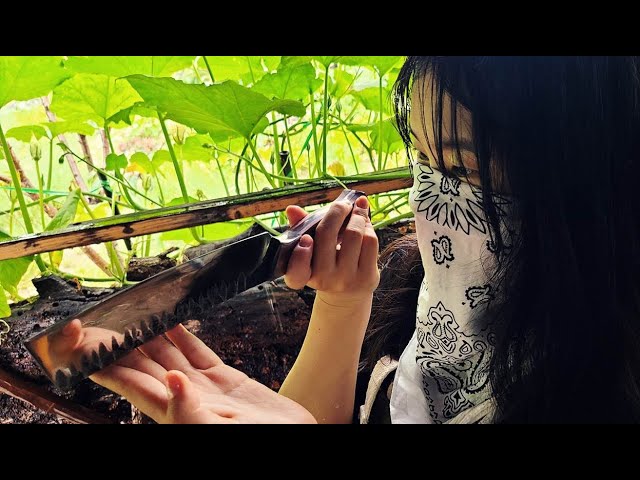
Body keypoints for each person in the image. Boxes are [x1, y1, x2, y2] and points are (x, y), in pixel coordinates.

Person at [90, 56, 640, 423]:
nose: (429, 199)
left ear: (585, 186)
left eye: (462, 168)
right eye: (422, 158)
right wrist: (343, 304)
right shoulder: (422, 301)